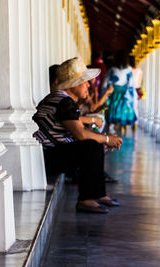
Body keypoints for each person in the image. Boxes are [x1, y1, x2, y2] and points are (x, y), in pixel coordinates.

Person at [33, 57, 123, 213]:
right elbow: (80, 134)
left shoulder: (62, 99)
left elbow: (78, 130)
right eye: (84, 81)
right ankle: (86, 199)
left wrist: (103, 140)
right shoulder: (63, 102)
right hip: (46, 157)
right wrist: (108, 139)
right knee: (90, 147)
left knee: (94, 145)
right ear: (73, 84)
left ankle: (98, 194)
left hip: (50, 153)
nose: (88, 85)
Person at [102, 50, 137, 135]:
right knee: (122, 109)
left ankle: (111, 127)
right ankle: (122, 127)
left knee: (113, 109)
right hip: (124, 92)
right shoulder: (128, 69)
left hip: (114, 91)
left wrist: (103, 92)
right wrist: (132, 96)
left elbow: (106, 81)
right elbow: (131, 83)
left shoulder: (112, 68)